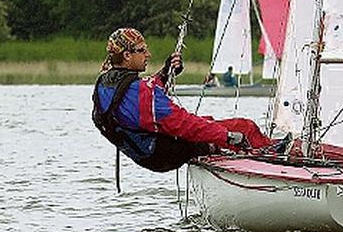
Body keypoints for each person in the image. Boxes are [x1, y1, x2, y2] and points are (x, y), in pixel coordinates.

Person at [92, 28, 272, 172]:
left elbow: (140, 100)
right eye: (142, 50)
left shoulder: (105, 84)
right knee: (244, 127)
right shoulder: (141, 92)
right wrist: (229, 137)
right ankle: (275, 158)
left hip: (145, 153)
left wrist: (165, 73)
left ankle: (267, 150)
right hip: (164, 154)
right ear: (127, 56)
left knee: (210, 123)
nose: (148, 54)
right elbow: (184, 124)